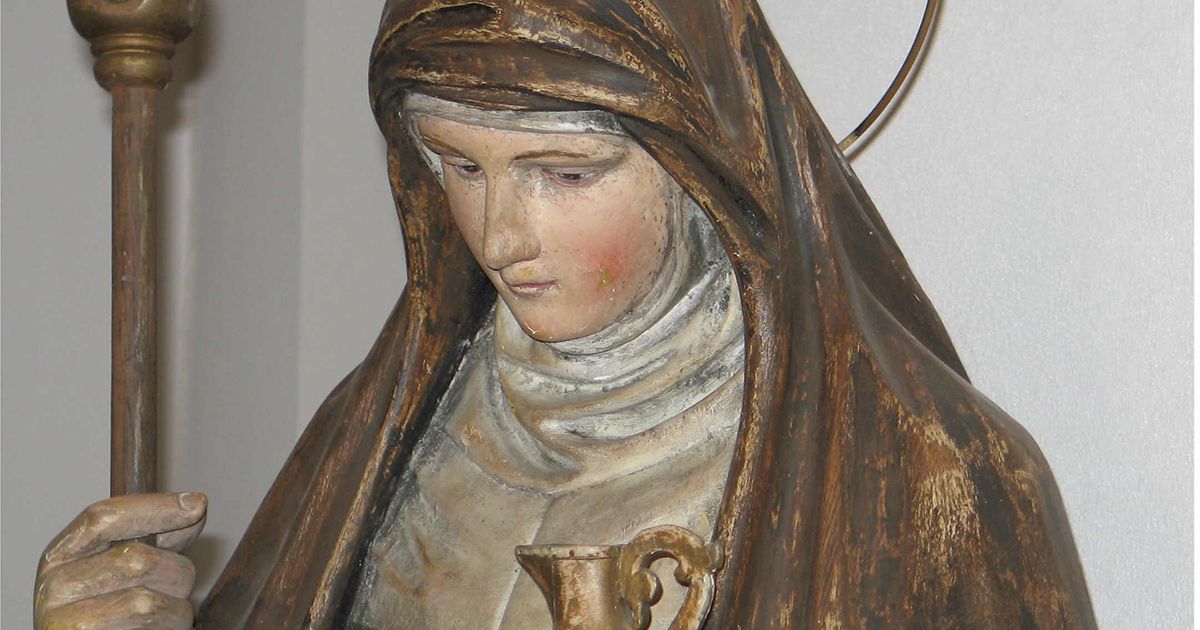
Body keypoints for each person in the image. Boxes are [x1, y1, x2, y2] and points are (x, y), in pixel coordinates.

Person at [34, 0, 1097, 628]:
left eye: (566, 172)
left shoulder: (932, 477)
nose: (501, 237)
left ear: (700, 166)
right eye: (459, 166)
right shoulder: (377, 435)